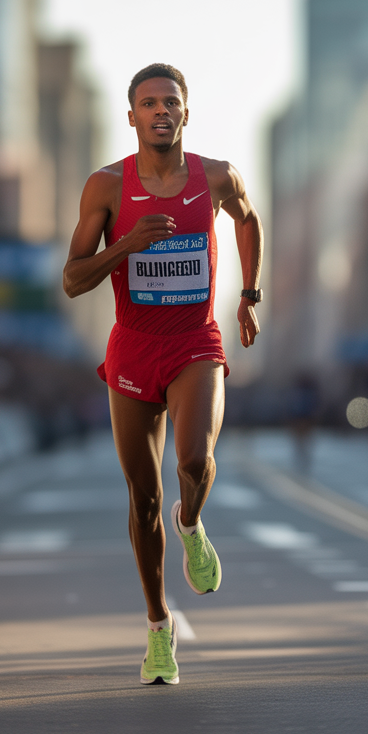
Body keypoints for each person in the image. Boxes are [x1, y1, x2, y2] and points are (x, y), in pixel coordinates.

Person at [63, 63, 262, 686]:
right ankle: (158, 627)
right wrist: (126, 245)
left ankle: (193, 523)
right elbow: (73, 279)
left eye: (170, 102)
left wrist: (249, 294)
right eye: (147, 103)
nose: (160, 111)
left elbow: (248, 219)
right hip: (133, 348)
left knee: (194, 464)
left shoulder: (217, 176)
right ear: (132, 118)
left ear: (185, 112)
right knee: (142, 496)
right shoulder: (106, 187)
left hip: (195, 342)